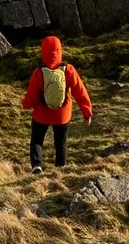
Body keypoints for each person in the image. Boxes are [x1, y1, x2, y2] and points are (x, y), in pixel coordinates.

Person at [21, 35, 92, 170]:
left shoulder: (38, 72)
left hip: (42, 115)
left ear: (43, 51)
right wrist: (87, 112)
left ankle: (37, 165)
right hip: (62, 115)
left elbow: (32, 97)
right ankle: (60, 167)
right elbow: (80, 91)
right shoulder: (68, 69)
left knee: (37, 140)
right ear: (60, 50)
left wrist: (25, 105)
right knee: (61, 142)